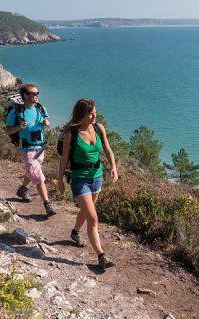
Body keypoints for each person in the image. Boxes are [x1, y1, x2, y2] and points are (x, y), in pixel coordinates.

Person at [57, 98, 118, 268]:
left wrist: (113, 167)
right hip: (79, 179)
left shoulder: (99, 128)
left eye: (95, 112)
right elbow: (64, 158)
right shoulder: (71, 134)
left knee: (86, 212)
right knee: (93, 218)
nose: (94, 116)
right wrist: (60, 179)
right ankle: (101, 257)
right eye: (90, 114)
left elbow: (107, 149)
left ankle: (75, 232)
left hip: (97, 176)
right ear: (81, 115)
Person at [5, 83, 56, 216]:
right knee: (38, 177)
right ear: (25, 96)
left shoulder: (40, 108)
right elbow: (8, 130)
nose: (37, 96)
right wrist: (18, 128)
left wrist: (47, 123)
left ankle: (22, 189)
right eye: (34, 93)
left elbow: (47, 120)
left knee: (33, 170)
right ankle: (47, 205)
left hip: (40, 146)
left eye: (37, 93)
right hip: (26, 148)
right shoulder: (16, 112)